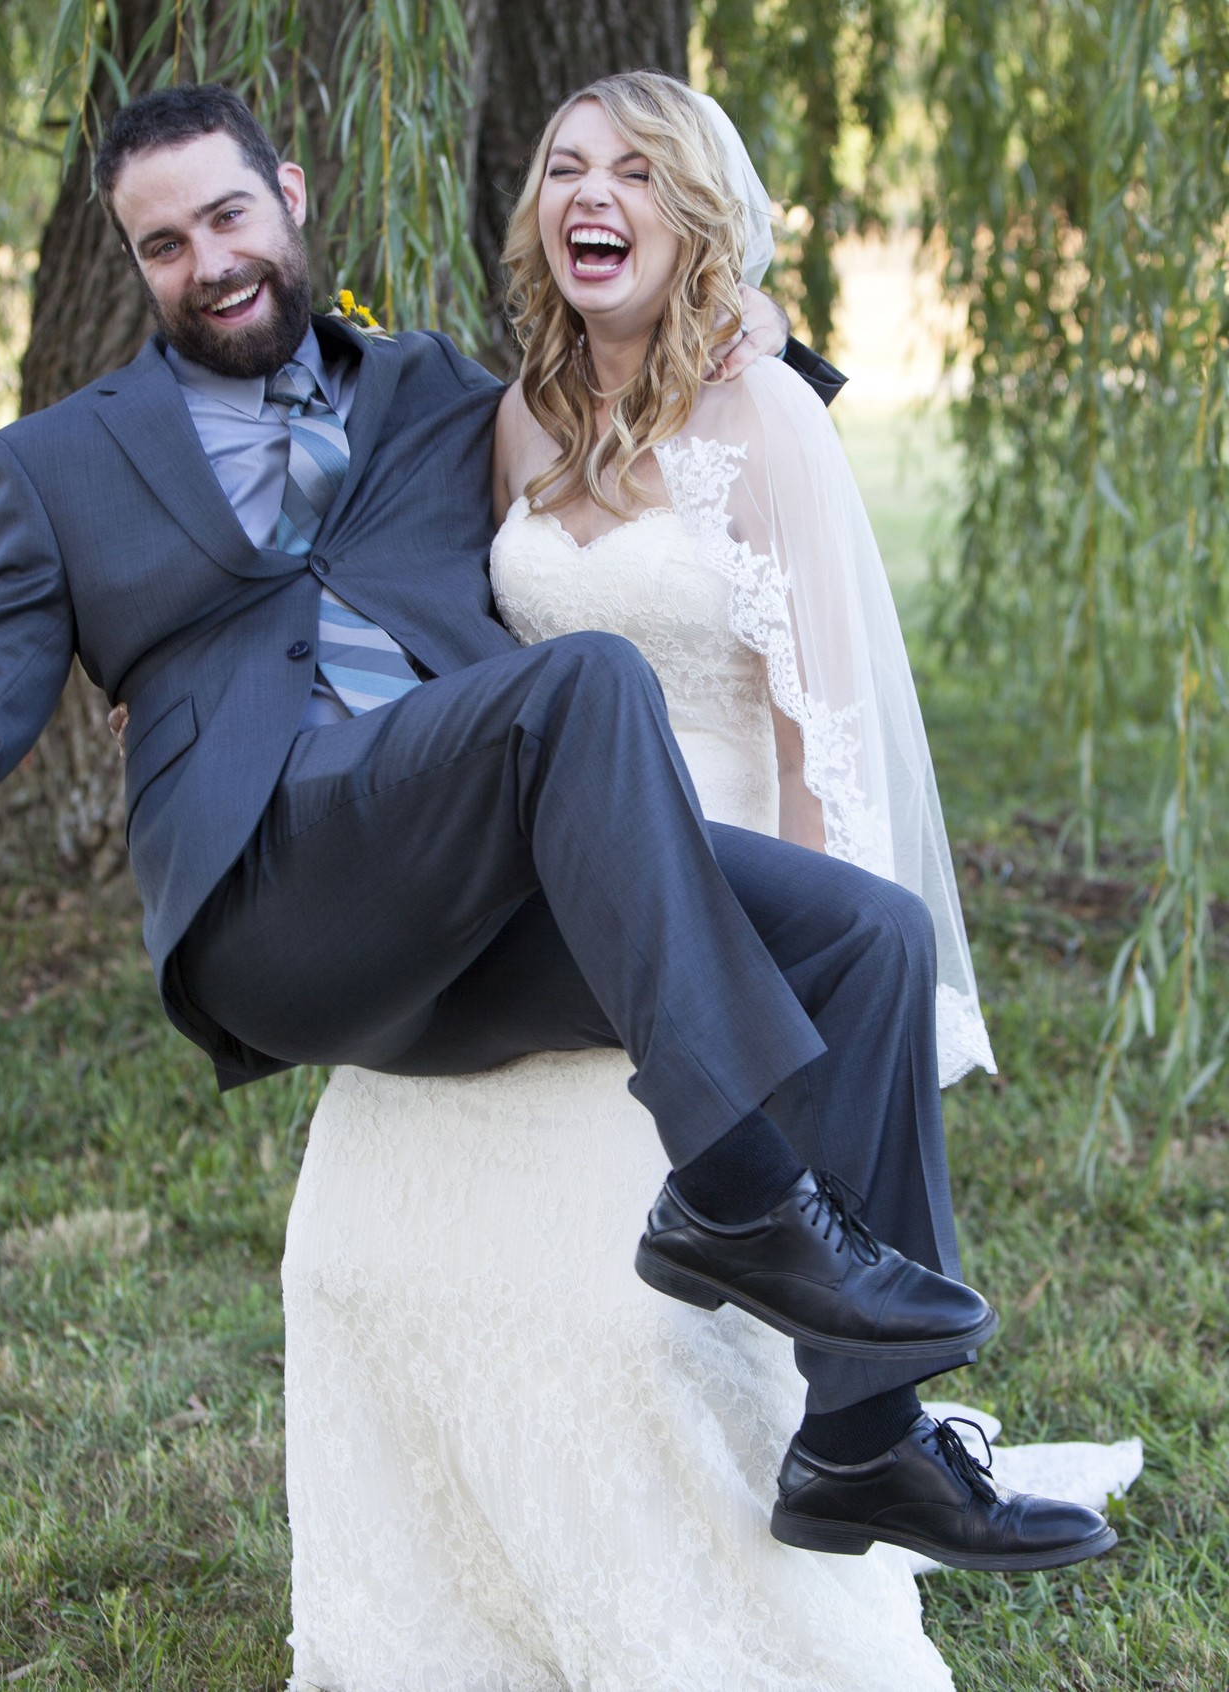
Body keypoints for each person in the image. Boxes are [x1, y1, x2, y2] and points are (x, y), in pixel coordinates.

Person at [0, 81, 1115, 1584]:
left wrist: (766, 327)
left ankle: (863, 1439)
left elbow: (654, 382)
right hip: (276, 895)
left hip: (473, 892)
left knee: (869, 937)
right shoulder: (56, 470)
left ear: (291, 200)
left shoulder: (432, 392)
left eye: (229, 216)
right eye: (163, 244)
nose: (210, 262)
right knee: (576, 689)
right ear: (133, 261)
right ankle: (732, 1193)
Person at [278, 71, 1139, 1690]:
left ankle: (860, 1437)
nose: (589, 192)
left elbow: (828, 745)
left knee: (635, 1294)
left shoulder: (766, 418)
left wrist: (790, 1019)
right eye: (563, 168)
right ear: (539, 214)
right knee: (357, 1251)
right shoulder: (513, 419)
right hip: (540, 901)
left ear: (699, 219)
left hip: (732, 877)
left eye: (636, 173)